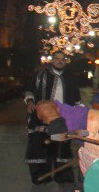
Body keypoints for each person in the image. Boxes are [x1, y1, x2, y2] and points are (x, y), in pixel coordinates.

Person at [24, 52, 81, 184]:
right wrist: (30, 102)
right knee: (41, 146)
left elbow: (76, 98)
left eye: (63, 59)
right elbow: (29, 91)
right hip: (42, 117)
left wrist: (78, 114)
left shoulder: (70, 77)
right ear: (52, 60)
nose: (60, 61)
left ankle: (63, 176)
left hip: (64, 117)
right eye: (57, 59)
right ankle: (41, 175)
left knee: (62, 146)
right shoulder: (41, 75)